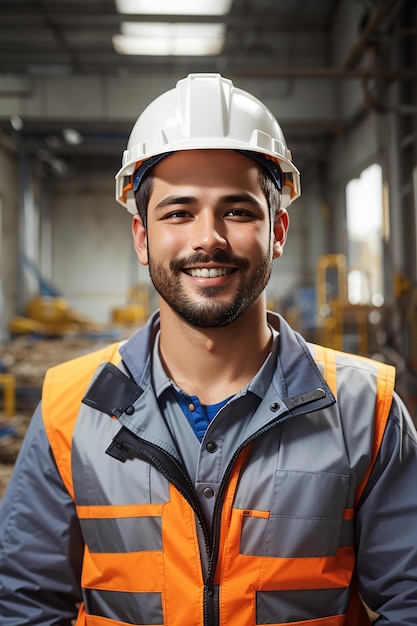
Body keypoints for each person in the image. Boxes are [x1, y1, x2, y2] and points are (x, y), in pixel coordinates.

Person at [0, 73, 416, 626]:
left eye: (238, 211)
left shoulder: (368, 408)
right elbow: (25, 604)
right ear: (142, 238)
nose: (208, 238)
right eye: (178, 212)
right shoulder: (71, 409)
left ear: (279, 230)